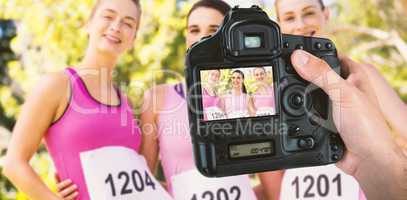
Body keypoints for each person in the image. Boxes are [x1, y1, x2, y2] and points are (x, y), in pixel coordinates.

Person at [2, 0, 172, 200]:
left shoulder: (125, 101)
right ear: (88, 24)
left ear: (133, 39)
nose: (116, 27)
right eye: (108, 16)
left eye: (128, 23)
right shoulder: (57, 85)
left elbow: (137, 180)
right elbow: (14, 163)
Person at [140, 1, 260, 199]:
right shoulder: (157, 98)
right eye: (194, 30)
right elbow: (143, 181)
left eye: (214, 30)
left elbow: (270, 179)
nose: (202, 37)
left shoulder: (242, 97)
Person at [258, 1, 367, 200]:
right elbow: (269, 163)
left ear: (325, 14)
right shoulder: (269, 86)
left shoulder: (360, 75)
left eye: (308, 13)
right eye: (289, 17)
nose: (300, 24)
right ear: (279, 24)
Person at [290, 49, 407, 200]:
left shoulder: (356, 73)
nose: (301, 24)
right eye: (289, 22)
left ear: (325, 22)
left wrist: (375, 155)